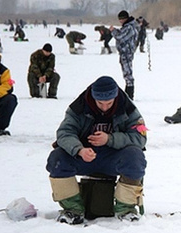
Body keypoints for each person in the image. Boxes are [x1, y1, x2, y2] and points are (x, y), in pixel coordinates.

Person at [45, 76, 147, 224]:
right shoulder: (78, 107)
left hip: (114, 158)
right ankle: (72, 210)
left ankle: (126, 209)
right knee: (57, 158)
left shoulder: (128, 108)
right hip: (84, 157)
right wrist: (79, 150)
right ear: (93, 98)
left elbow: (140, 138)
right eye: (100, 103)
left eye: (109, 103)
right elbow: (64, 133)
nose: (104, 107)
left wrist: (109, 139)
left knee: (135, 157)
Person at [110, 10, 139, 100]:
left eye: (121, 19)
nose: (120, 21)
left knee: (128, 73)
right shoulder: (130, 26)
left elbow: (120, 37)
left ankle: (129, 95)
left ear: (124, 18)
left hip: (126, 52)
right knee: (127, 73)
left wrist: (113, 31)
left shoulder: (129, 27)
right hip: (126, 52)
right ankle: (128, 94)